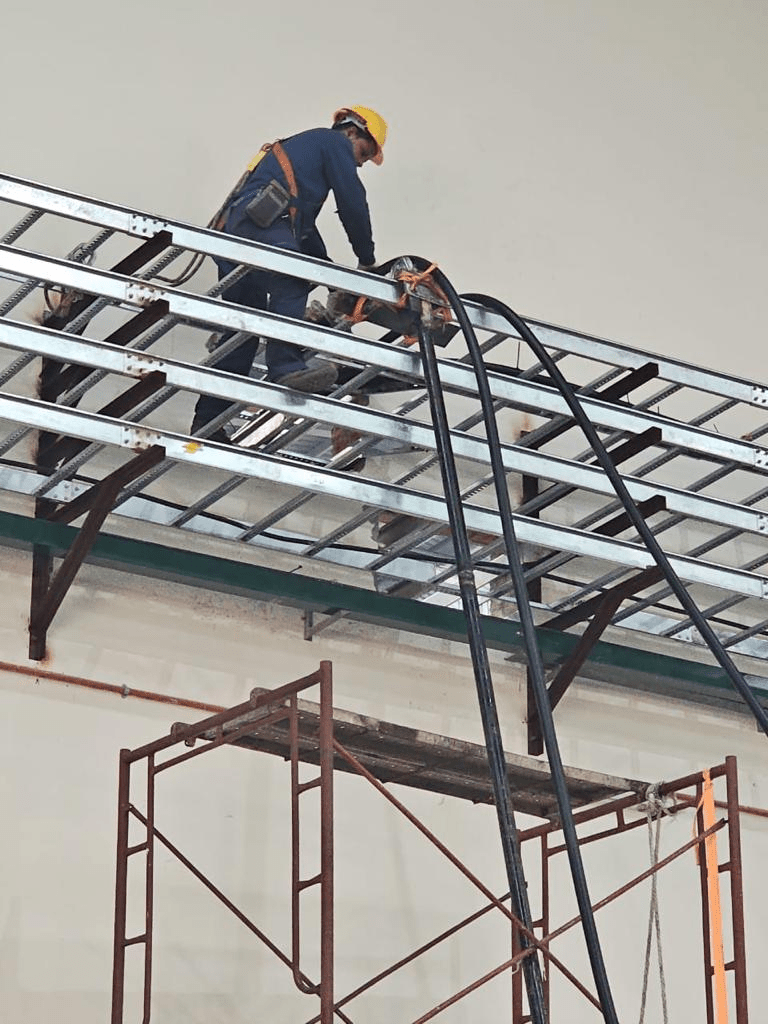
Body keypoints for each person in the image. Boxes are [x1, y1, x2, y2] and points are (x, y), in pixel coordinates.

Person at [191, 105, 387, 440]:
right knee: (294, 277)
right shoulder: (332, 143)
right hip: (259, 228)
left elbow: (305, 232)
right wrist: (367, 260)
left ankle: (207, 423)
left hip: (238, 232)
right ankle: (285, 367)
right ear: (352, 131)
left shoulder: (305, 159)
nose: (359, 163)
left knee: (244, 333)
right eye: (364, 153)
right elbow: (353, 202)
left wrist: (329, 272)